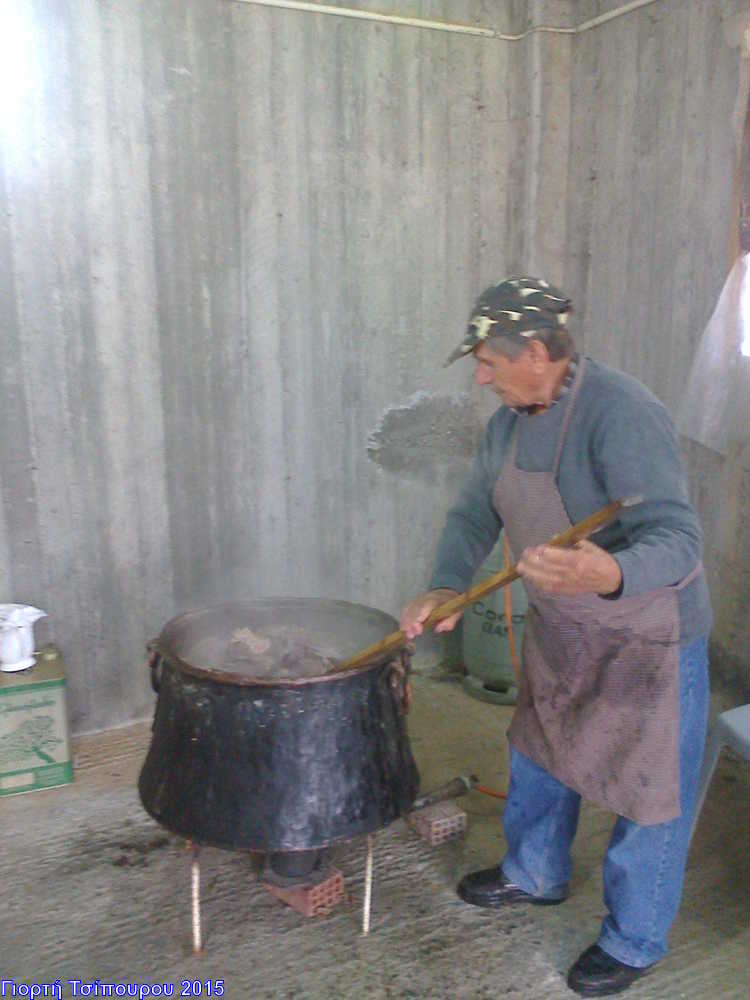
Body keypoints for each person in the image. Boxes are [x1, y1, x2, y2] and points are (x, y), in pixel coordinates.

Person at [400, 276, 712, 998]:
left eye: (488, 362)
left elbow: (678, 538)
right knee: (541, 750)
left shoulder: (623, 413)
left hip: (647, 637)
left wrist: (610, 571)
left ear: (537, 353)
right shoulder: (509, 423)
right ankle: (534, 872)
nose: (481, 377)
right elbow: (473, 513)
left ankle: (635, 939)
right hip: (565, 626)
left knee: (647, 792)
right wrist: (446, 585)